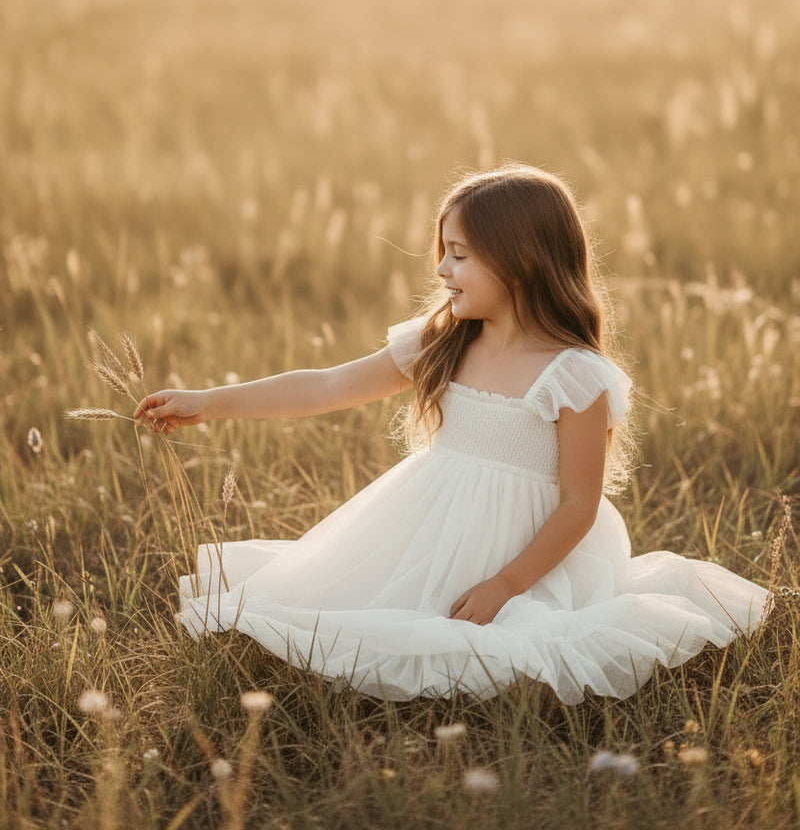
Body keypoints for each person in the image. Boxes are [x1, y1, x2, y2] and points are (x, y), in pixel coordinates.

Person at [134, 164, 769, 704]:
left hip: (522, 552)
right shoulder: (444, 342)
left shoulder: (575, 375)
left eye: (460, 255)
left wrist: (505, 585)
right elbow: (326, 386)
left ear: (522, 262)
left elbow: (579, 504)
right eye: (443, 251)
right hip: (428, 523)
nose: (440, 268)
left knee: (501, 645)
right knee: (345, 613)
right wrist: (206, 402)